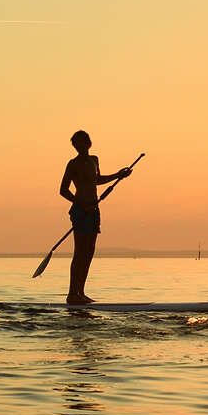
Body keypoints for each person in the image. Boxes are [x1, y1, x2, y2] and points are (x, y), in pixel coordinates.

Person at [58, 130, 132, 304]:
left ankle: (81, 292)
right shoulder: (73, 164)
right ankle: (71, 294)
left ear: (88, 143)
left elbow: (97, 180)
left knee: (89, 252)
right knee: (80, 252)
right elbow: (63, 190)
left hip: (93, 211)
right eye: (76, 144)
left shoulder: (94, 160)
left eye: (82, 143)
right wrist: (80, 204)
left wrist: (118, 175)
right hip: (80, 212)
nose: (80, 147)